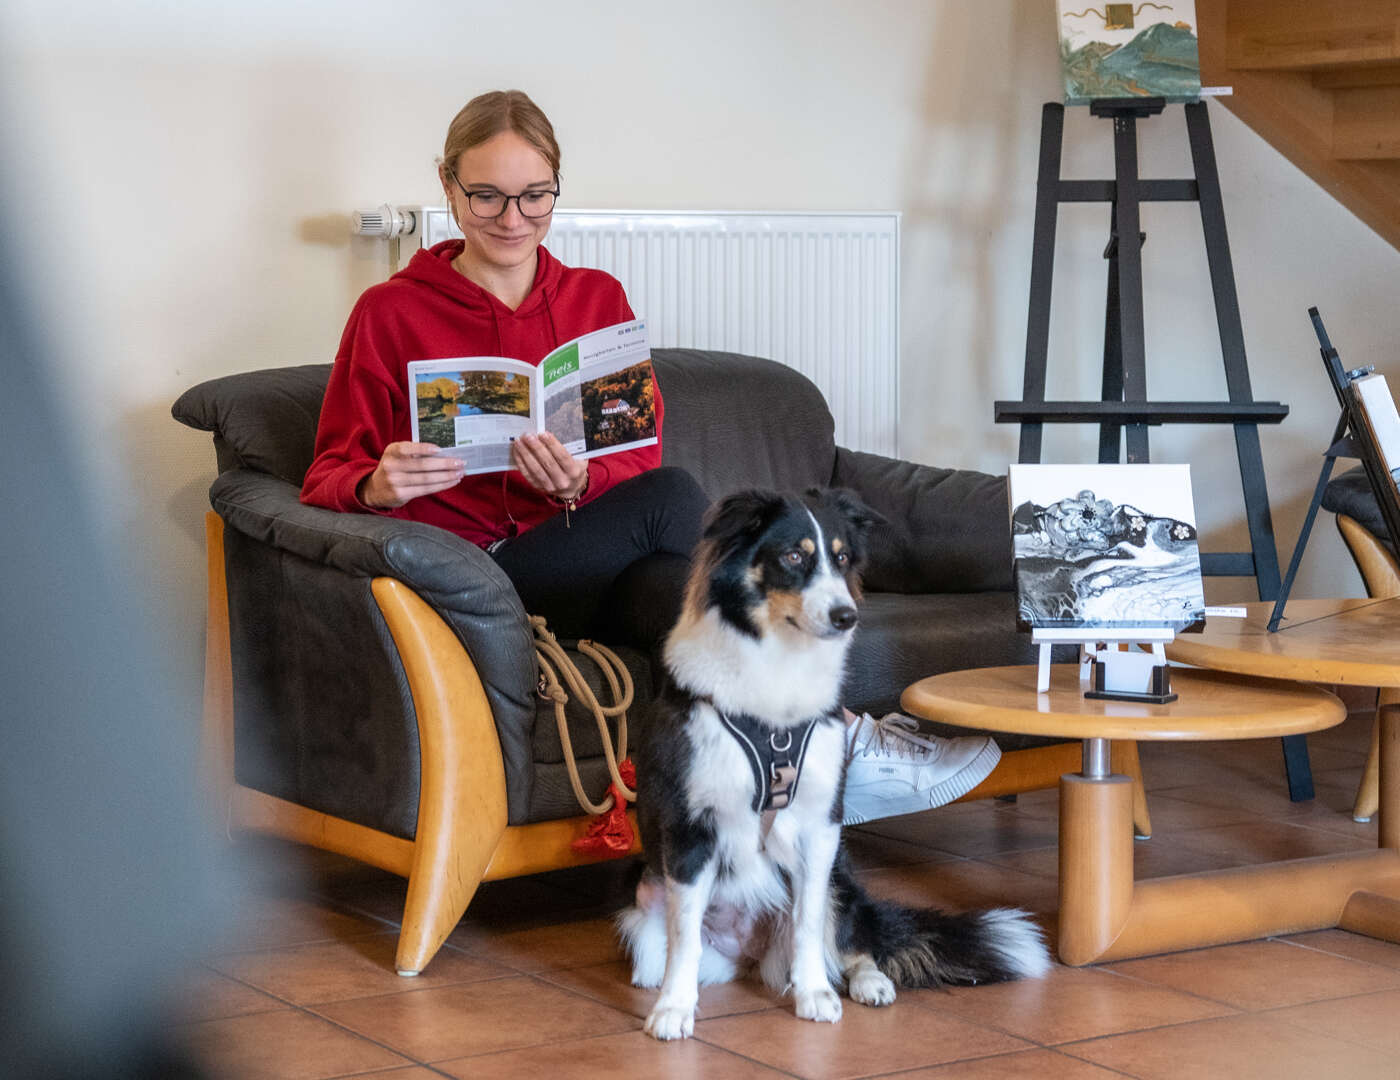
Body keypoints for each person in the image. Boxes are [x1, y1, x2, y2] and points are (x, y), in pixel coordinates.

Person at [300, 89, 998, 821]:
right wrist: (379, 486)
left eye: (535, 196)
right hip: (476, 578)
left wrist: (580, 480)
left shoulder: (596, 299)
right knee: (671, 499)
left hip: (577, 558)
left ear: (556, 185)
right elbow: (323, 476)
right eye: (486, 197)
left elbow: (634, 454)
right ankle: (844, 734)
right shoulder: (391, 312)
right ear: (446, 184)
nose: (513, 220)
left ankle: (813, 761)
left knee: (672, 588)